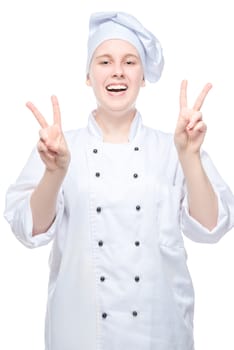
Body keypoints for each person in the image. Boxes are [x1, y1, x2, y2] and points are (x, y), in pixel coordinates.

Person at [4, 11, 234, 350]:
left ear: (142, 77)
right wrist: (54, 173)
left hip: (161, 331)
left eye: (130, 62)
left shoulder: (175, 146)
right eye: (104, 61)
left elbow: (211, 227)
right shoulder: (59, 147)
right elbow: (29, 231)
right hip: (79, 335)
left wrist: (189, 158)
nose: (117, 71)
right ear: (88, 75)